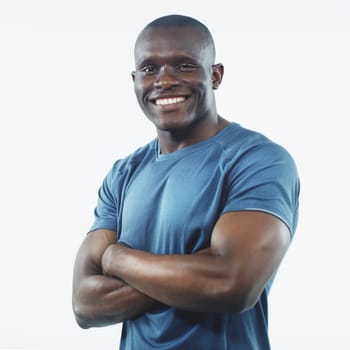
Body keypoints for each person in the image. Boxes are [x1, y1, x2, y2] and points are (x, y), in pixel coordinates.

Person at [72, 14, 300, 350]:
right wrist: (195, 269)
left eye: (183, 66)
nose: (164, 80)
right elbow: (84, 303)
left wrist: (117, 260)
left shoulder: (258, 160)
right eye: (150, 69)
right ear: (135, 79)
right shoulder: (123, 174)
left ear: (215, 75)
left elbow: (233, 284)